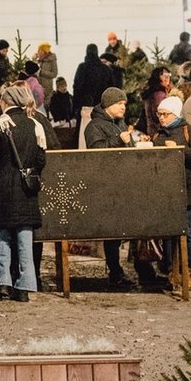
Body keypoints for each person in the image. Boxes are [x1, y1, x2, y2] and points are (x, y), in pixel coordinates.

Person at [0, 83, 46, 302]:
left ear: (6, 101)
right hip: (26, 191)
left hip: (1, 189)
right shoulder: (34, 125)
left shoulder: (1, 124)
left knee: (1, 237)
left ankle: (2, 283)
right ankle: (25, 286)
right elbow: (41, 159)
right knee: (24, 239)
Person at [83, 86, 137, 289]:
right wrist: (117, 140)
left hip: (124, 183)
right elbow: (96, 152)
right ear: (108, 104)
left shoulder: (119, 123)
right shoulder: (95, 126)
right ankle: (115, 270)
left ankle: (124, 269)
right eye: (120, 103)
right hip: (107, 186)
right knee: (113, 231)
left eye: (125, 103)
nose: (124, 107)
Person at [152, 94, 191, 286]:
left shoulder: (189, 131)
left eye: (165, 114)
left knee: (190, 231)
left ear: (174, 114)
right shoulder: (158, 135)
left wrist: (179, 149)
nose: (161, 118)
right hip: (167, 192)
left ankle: (190, 271)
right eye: (159, 114)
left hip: (189, 189)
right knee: (169, 232)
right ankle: (170, 270)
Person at [72, 43, 110, 137]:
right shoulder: (105, 69)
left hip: (85, 106)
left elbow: (77, 87)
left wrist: (75, 106)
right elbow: (110, 88)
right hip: (101, 107)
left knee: (84, 134)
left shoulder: (82, 68)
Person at [141, 66, 173, 139]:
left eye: (168, 75)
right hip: (160, 132)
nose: (167, 77)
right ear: (157, 77)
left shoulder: (157, 92)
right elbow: (159, 113)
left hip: (155, 130)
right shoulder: (159, 94)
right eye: (163, 75)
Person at [48, 76, 77, 146]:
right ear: (58, 87)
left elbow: (73, 108)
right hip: (59, 124)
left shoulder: (70, 97)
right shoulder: (54, 98)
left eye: (65, 85)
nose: (64, 88)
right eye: (61, 86)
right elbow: (54, 110)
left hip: (69, 124)